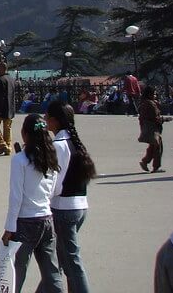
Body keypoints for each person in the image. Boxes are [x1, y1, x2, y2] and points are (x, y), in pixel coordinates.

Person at [2, 113, 63, 292]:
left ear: (25, 134)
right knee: (51, 272)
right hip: (46, 219)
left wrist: (9, 228)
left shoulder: (20, 160)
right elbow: (52, 191)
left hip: (25, 222)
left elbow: (16, 197)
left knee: (16, 271)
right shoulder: (51, 158)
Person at [46, 101, 95, 293]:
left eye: (47, 117)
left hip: (64, 208)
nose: (45, 120)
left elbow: (57, 183)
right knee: (61, 260)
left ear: (55, 121)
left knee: (71, 262)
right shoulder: (74, 142)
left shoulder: (59, 145)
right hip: (79, 204)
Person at [139, 85, 167, 173]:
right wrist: (164, 119)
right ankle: (156, 167)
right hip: (152, 128)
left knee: (153, 145)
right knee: (158, 146)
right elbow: (155, 117)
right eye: (154, 94)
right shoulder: (150, 104)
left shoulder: (144, 102)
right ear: (150, 94)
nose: (155, 95)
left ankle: (145, 161)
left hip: (147, 126)